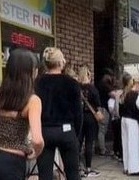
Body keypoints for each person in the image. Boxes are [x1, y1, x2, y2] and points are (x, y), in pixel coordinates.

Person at [0, 49, 44, 179]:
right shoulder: (32, 100)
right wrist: (35, 153)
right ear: (31, 71)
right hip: (11, 162)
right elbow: (37, 140)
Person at [35, 47, 83, 180]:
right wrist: (75, 134)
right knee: (73, 173)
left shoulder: (37, 82)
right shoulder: (72, 83)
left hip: (45, 130)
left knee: (45, 175)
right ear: (61, 62)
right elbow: (78, 113)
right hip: (66, 130)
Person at [78, 65, 102, 177]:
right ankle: (88, 167)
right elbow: (98, 103)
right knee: (89, 142)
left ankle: (77, 166)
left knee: (78, 141)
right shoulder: (92, 88)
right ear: (88, 74)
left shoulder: (76, 87)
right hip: (90, 118)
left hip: (79, 116)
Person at [119, 74, 139, 176]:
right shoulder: (134, 95)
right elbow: (137, 111)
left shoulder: (124, 94)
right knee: (133, 144)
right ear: (137, 84)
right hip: (132, 120)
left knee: (125, 144)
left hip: (124, 119)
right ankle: (133, 169)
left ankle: (126, 167)